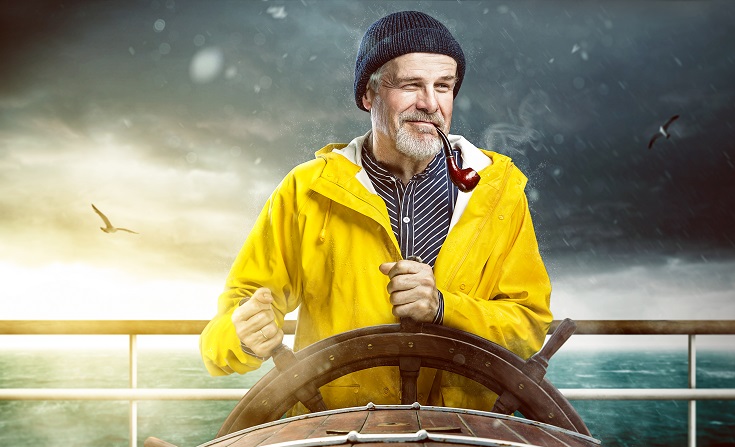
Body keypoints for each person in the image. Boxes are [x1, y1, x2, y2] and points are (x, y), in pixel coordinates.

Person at [200, 10, 552, 413]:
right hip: (336, 436)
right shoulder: (306, 191)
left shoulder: (499, 190)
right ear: (368, 95)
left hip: (466, 438)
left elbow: (528, 327)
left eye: (443, 86)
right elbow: (231, 323)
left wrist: (443, 307)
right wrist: (241, 335)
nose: (430, 104)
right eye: (411, 85)